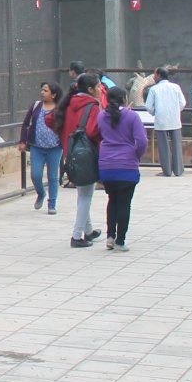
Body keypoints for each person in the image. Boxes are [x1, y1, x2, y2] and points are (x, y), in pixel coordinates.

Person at [49, 73, 103, 248]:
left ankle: (89, 230)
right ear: (90, 89)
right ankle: (77, 236)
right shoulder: (92, 106)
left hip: (70, 152)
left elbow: (50, 119)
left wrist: (65, 134)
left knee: (83, 193)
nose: (100, 89)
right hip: (87, 154)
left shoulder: (68, 102)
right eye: (98, 86)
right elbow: (94, 131)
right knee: (86, 195)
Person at [96, 84, 148, 251]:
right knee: (125, 204)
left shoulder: (101, 116)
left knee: (112, 200)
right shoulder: (132, 116)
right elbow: (142, 141)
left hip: (106, 164)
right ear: (125, 99)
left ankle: (110, 236)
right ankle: (120, 240)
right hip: (127, 164)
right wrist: (136, 155)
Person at [19, 81, 64, 214]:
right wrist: (23, 141)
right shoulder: (36, 105)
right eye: (42, 90)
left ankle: (52, 203)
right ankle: (41, 193)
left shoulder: (60, 108)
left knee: (53, 176)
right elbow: (25, 124)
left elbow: (66, 126)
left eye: (46, 91)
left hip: (55, 147)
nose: (42, 93)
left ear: (54, 95)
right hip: (37, 147)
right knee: (35, 175)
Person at [143, 66, 187, 177]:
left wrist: (155, 112)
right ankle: (178, 170)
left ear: (159, 75)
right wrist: (176, 111)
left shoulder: (154, 89)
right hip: (175, 120)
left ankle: (166, 171)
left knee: (163, 146)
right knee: (176, 145)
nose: (153, 77)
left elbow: (148, 106)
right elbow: (183, 103)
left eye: (155, 74)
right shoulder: (176, 87)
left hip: (161, 120)